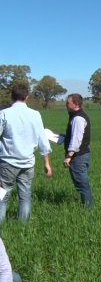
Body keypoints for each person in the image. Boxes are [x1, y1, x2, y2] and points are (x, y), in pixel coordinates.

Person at [0, 84, 52, 224]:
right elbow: (43, 139)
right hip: (28, 163)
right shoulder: (35, 115)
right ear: (26, 97)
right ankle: (23, 225)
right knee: (25, 195)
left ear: (12, 96)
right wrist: (46, 163)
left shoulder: (4, 114)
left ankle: (1, 229)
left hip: (7, 163)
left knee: (2, 196)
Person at [63, 94, 93, 208]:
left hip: (78, 156)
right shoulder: (76, 116)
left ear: (75, 104)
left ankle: (88, 209)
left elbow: (76, 140)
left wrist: (69, 156)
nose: (66, 105)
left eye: (68, 103)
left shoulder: (77, 118)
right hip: (81, 155)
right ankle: (87, 207)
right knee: (81, 184)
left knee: (81, 184)